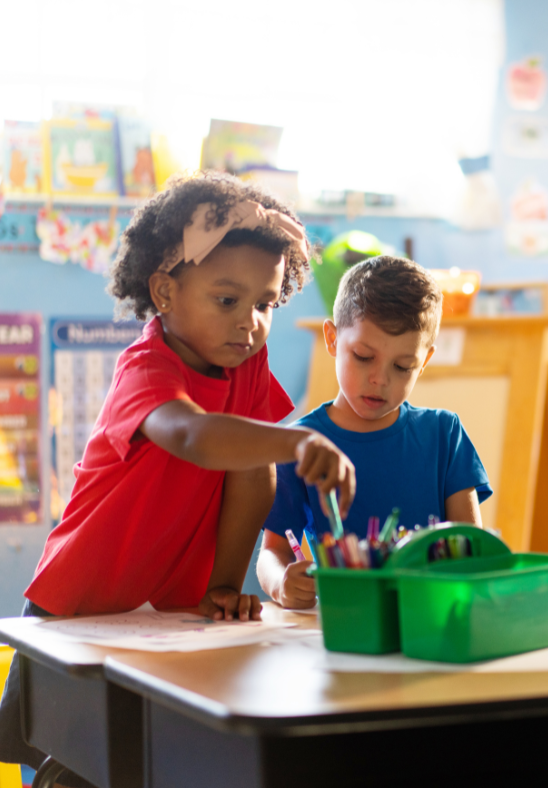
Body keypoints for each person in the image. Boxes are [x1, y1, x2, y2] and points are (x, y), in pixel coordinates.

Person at [0, 171, 356, 775]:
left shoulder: (245, 364)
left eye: (265, 304)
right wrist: (297, 439)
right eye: (227, 300)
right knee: (74, 758)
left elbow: (252, 472)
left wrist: (221, 583)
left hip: (168, 614)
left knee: (151, 751)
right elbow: (192, 436)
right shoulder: (147, 366)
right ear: (164, 293)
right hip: (79, 606)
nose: (250, 323)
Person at [257, 255, 492, 610]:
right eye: (363, 356)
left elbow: (470, 545)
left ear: (424, 361)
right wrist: (281, 584)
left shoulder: (444, 434)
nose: (380, 379)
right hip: (348, 617)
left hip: (432, 614)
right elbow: (272, 552)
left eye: (403, 366)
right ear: (333, 340)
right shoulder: (300, 444)